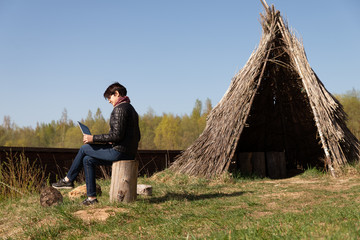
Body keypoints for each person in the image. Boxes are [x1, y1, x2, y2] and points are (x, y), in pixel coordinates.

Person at [52, 82, 141, 205]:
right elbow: (133, 136)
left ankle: (68, 180)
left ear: (117, 94)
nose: (109, 101)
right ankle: (92, 199)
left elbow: (116, 135)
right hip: (127, 152)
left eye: (109, 97)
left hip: (119, 152)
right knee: (88, 160)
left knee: (84, 148)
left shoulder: (119, 109)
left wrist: (92, 138)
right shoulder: (131, 110)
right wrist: (110, 140)